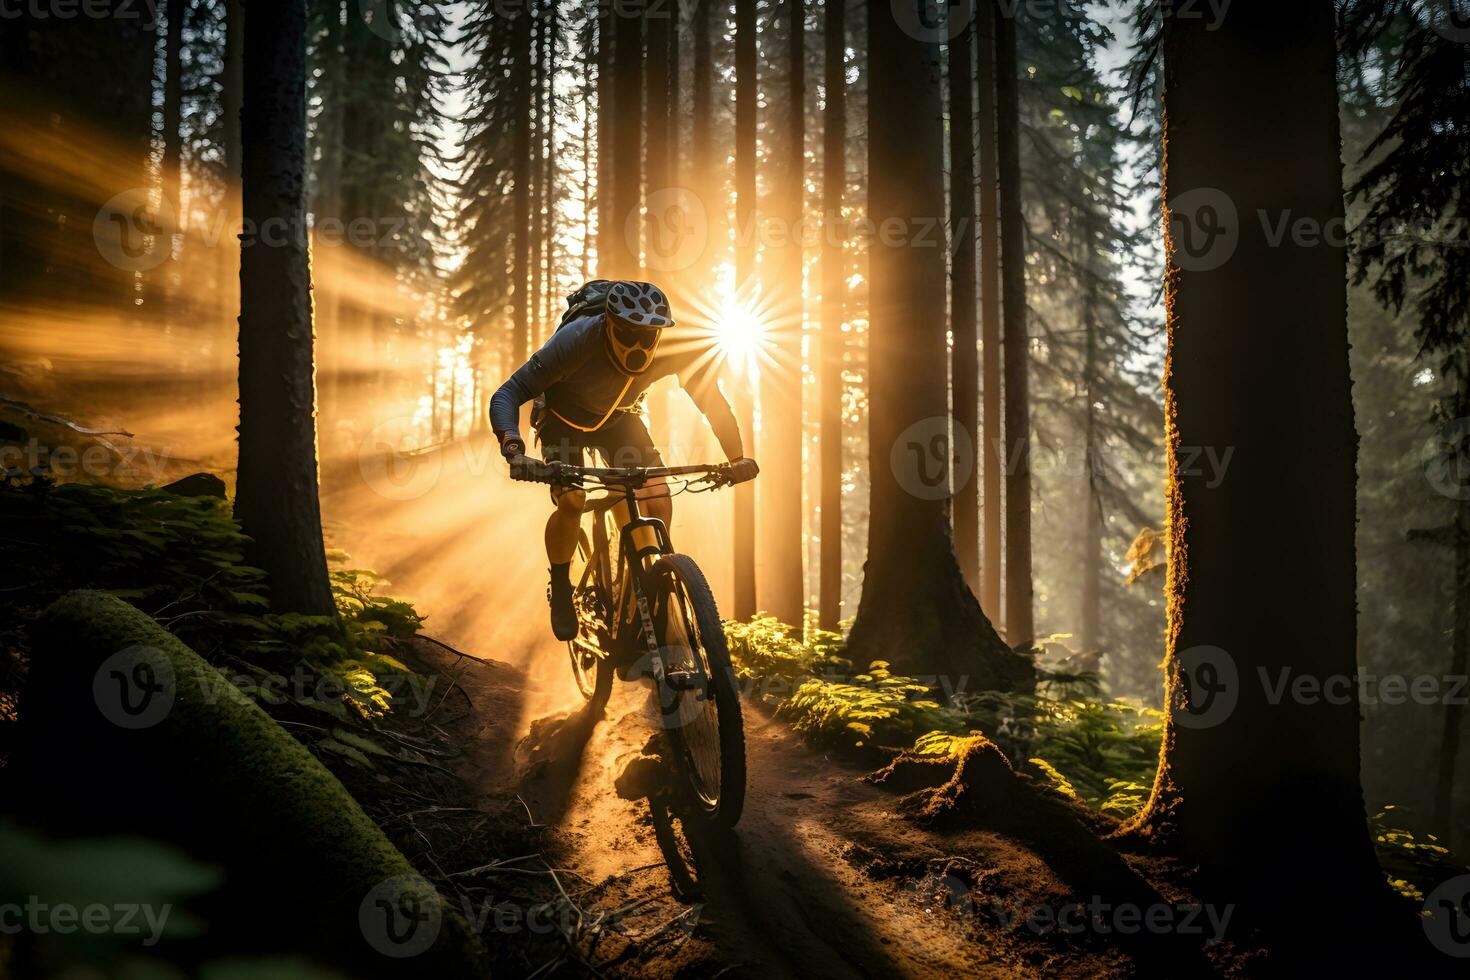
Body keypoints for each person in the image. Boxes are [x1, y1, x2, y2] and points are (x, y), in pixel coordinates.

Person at [489, 280, 759, 641]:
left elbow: (711, 400)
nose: (638, 344)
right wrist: (513, 447)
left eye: (648, 336)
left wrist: (736, 456)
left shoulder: (678, 349)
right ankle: (561, 586)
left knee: (657, 503)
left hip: (620, 418)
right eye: (628, 333)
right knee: (572, 499)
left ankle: (638, 597)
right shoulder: (580, 337)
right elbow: (509, 392)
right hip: (562, 420)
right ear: (608, 323)